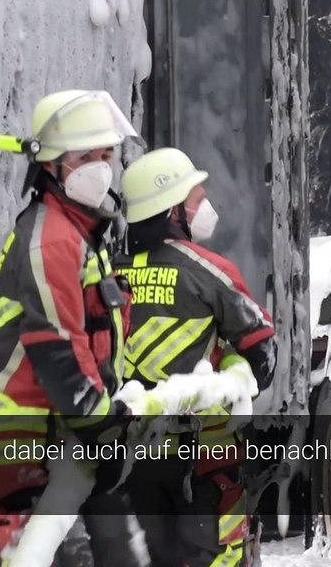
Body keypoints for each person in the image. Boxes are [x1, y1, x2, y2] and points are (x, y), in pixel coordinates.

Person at [0, 89, 147, 567]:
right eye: (86, 156)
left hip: (68, 436)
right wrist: (103, 427)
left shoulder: (84, 235)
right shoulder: (51, 238)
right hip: (24, 441)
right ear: (52, 165)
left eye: (107, 155)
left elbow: (98, 345)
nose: (101, 166)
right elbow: (59, 350)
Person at [115, 147, 278, 567]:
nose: (206, 205)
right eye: (196, 197)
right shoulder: (210, 271)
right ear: (172, 211)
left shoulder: (104, 274)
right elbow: (263, 353)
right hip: (203, 461)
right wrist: (234, 370)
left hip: (127, 462)